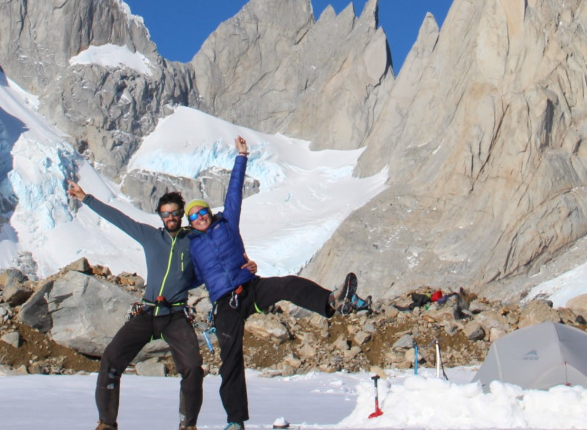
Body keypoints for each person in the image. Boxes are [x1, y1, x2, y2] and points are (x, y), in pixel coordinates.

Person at [187, 136, 367, 430]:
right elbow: (191, 276)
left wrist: (241, 157)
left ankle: (330, 302)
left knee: (286, 284)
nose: (199, 217)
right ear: (190, 223)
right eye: (193, 216)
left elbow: (234, 192)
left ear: (209, 212)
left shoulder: (227, 222)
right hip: (224, 303)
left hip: (250, 286)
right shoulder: (192, 246)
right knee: (230, 358)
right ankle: (235, 421)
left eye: (202, 211)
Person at [67, 181, 203, 430]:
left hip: (176, 315)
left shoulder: (194, 240)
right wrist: (85, 198)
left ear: (181, 214)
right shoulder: (150, 236)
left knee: (193, 367)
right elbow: (119, 218)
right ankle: (106, 423)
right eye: (165, 214)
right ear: (160, 216)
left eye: (174, 213)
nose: (170, 217)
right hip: (148, 310)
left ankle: (188, 425)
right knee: (111, 358)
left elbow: (217, 258)